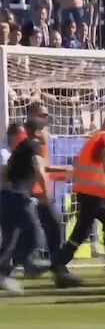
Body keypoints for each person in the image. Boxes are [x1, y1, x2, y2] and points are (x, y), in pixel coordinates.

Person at [57, 114, 105, 279]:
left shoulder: (94, 137)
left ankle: (60, 261)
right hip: (93, 192)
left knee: (85, 228)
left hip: (87, 190)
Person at [24, 104, 82, 288]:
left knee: (51, 230)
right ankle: (52, 268)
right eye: (42, 116)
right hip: (34, 193)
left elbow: (41, 166)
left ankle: (56, 268)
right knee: (50, 230)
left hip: (36, 192)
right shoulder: (30, 140)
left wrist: (61, 171)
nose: (46, 119)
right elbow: (37, 168)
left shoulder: (39, 143)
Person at [0, 119, 49, 295]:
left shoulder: (19, 149)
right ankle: (29, 261)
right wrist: (45, 193)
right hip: (19, 197)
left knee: (9, 238)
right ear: (37, 132)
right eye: (44, 130)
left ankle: (4, 274)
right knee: (34, 231)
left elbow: (7, 170)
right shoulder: (33, 145)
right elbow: (39, 169)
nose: (46, 134)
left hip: (6, 196)